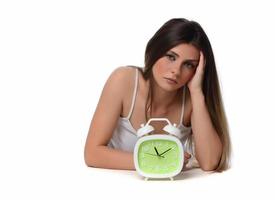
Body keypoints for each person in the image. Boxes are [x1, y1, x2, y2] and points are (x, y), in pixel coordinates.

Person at [84, 18, 231, 172]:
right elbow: (92, 154)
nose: (176, 71)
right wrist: (157, 161)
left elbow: (210, 162)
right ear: (155, 50)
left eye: (189, 65)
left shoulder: (192, 99)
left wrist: (197, 92)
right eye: (171, 57)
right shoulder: (123, 80)